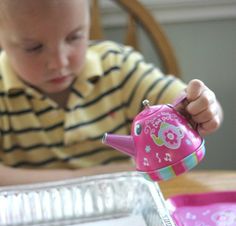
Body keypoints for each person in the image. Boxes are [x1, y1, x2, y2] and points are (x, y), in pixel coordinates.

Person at [0, 0, 223, 186]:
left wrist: (202, 108)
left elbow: (182, 103)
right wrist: (93, 178)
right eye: (34, 48)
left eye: (74, 37)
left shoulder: (117, 68)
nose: (59, 62)